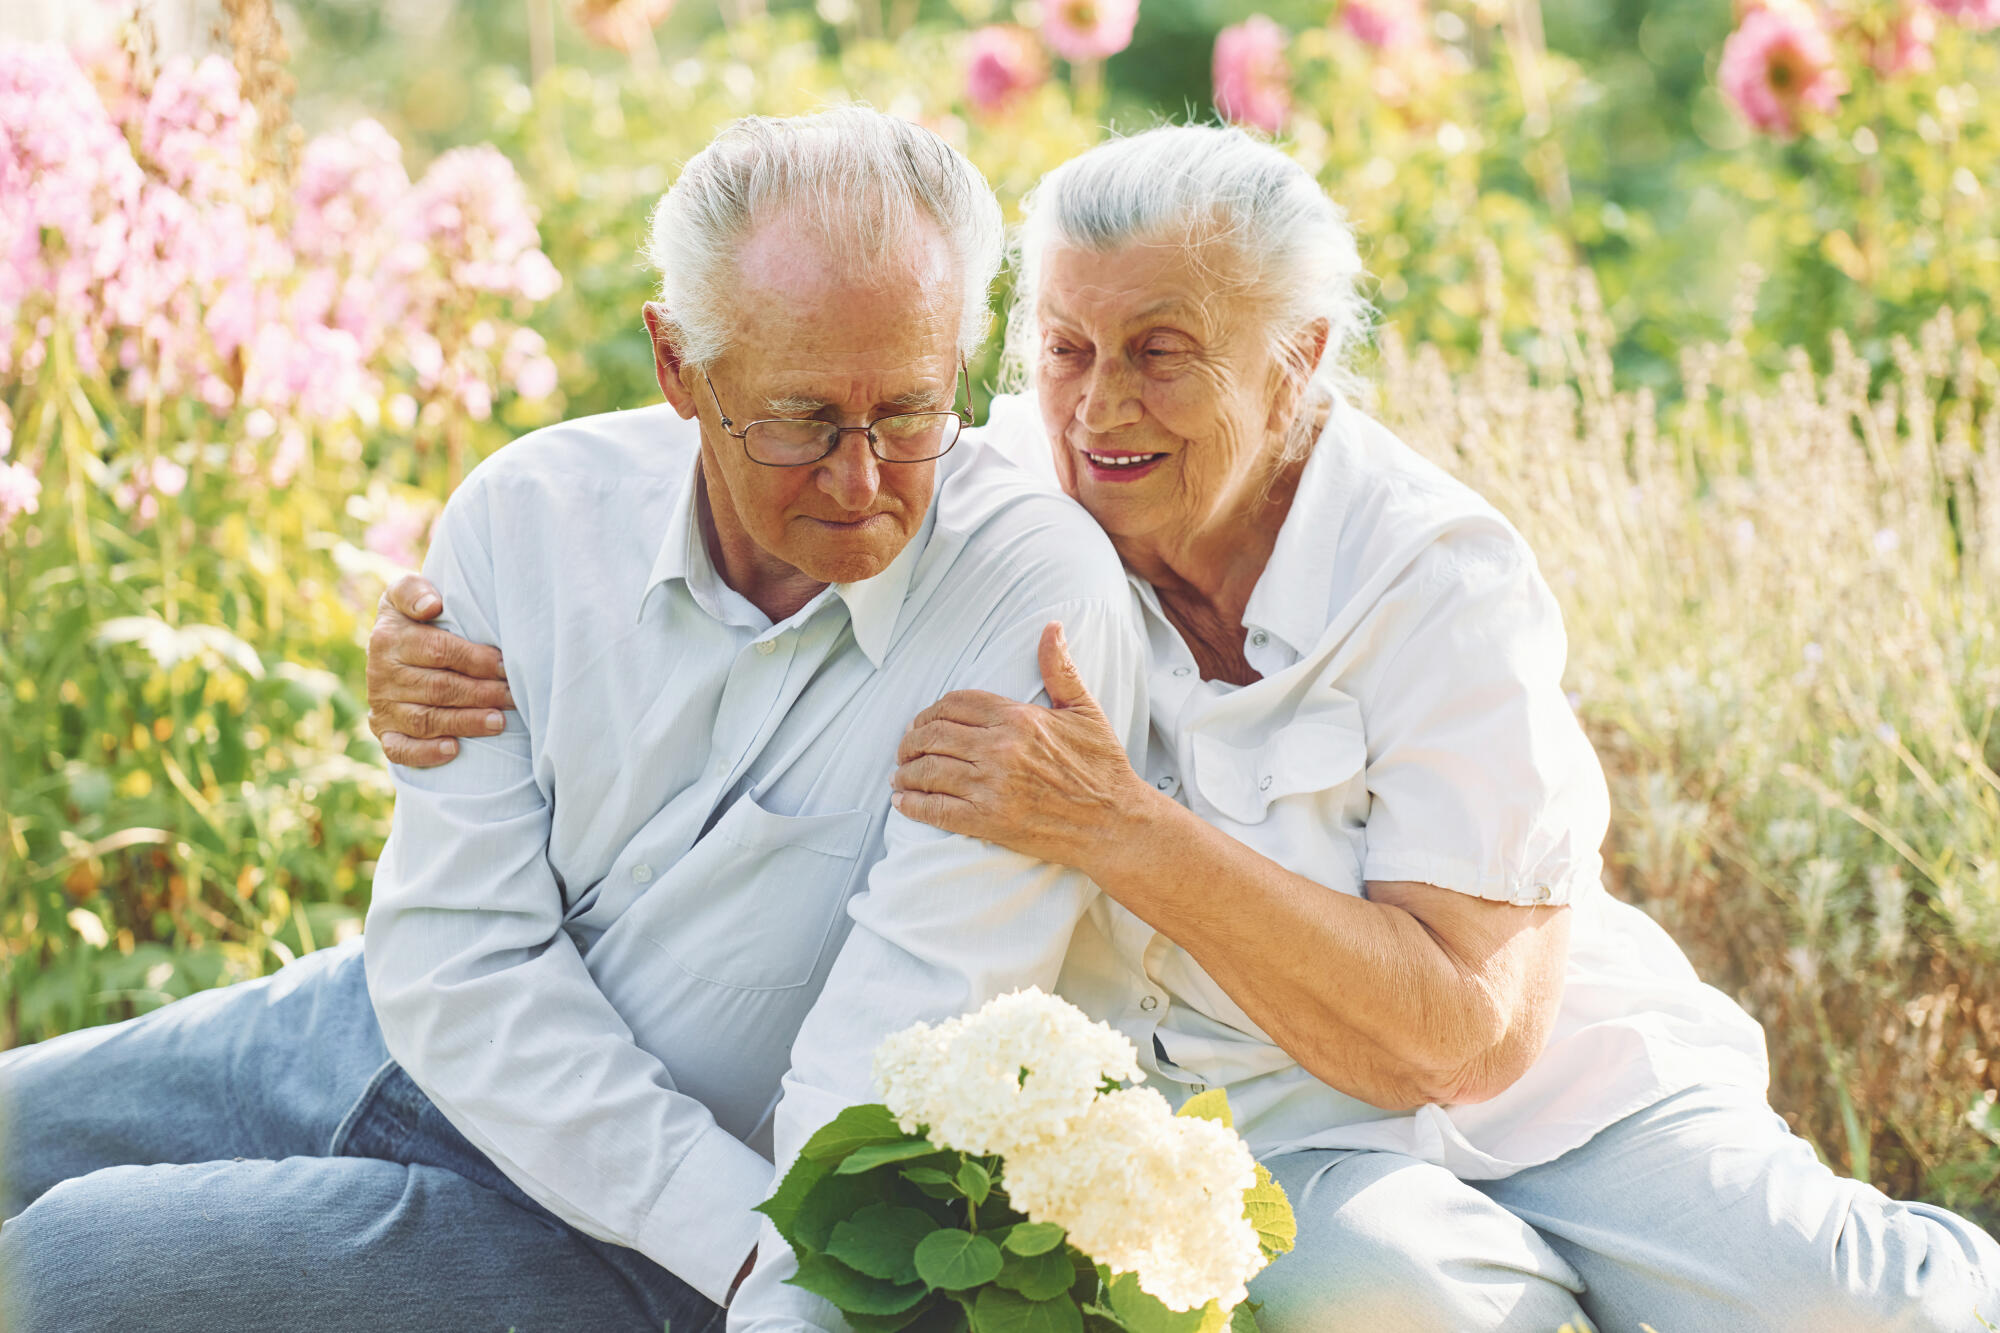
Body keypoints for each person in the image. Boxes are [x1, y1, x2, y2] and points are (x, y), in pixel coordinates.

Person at [377, 125, 2000, 1331]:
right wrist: (446, 628)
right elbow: (748, 435)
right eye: (1066, 349)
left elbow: (1465, 1034)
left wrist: (1124, 829)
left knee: (1839, 1298)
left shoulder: (1438, 575)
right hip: (1249, 1127)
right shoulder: (988, 495)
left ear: (1295, 361)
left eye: (1162, 355)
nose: (1098, 409)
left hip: (1550, 1091)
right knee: (1390, 1298)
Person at [0, 107, 1151, 1333]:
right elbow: (460, 958)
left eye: (912, 413)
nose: (862, 480)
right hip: (381, 1030)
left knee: (68, 1270)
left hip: (664, 1228)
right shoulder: (528, 515)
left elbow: (892, 1048)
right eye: (800, 420)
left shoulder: (1028, 600)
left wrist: (764, 1272)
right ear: (678, 367)